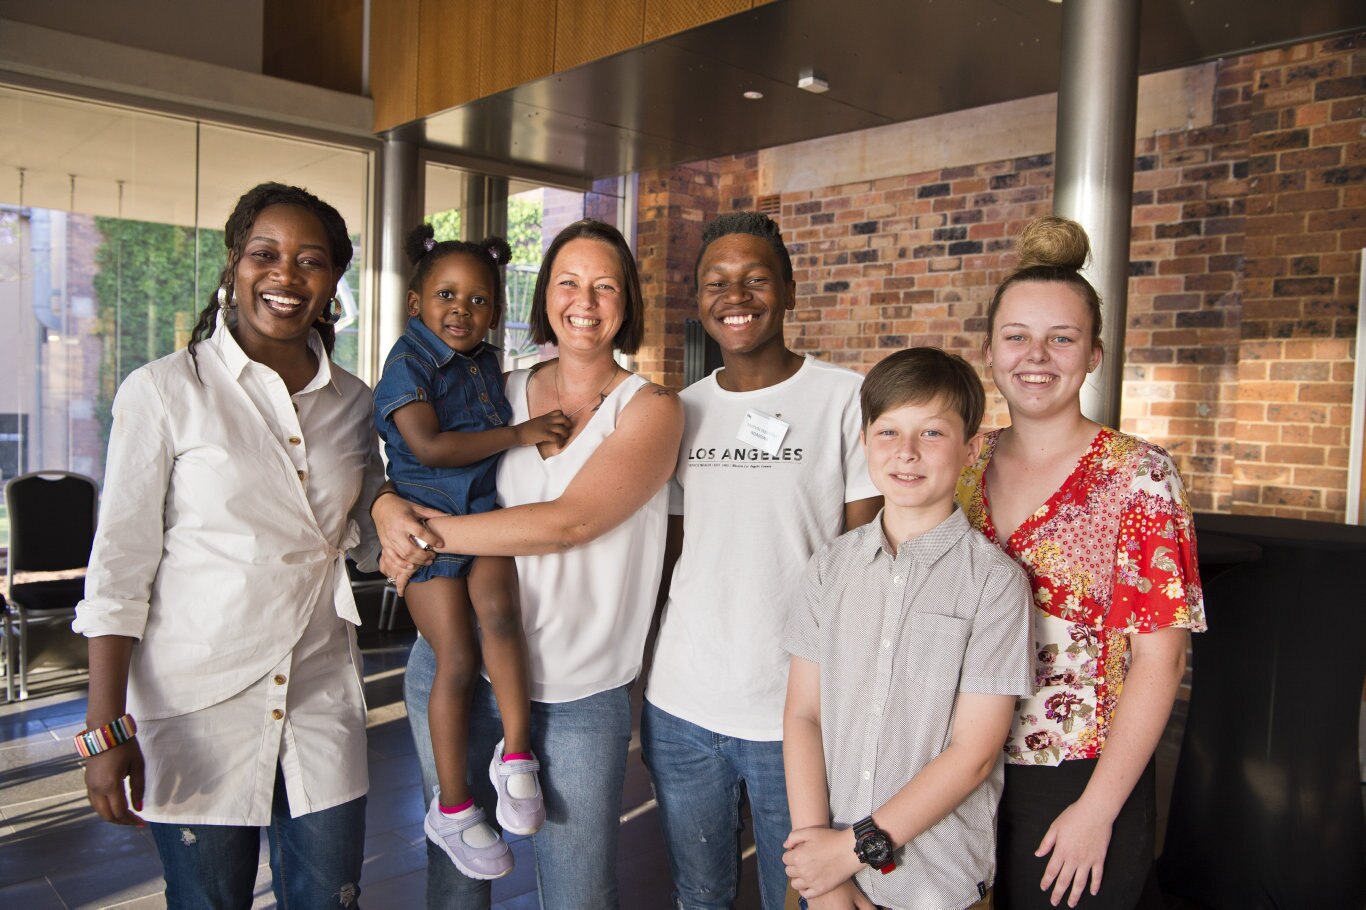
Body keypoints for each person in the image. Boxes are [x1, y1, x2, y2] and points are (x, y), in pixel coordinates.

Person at [73, 183, 384, 909]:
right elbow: (118, 571)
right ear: (234, 264)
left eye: (310, 260)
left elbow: (374, 530)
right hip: (196, 703)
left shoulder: (354, 402)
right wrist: (104, 730)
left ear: (333, 280)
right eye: (265, 254)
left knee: (332, 899)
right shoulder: (161, 392)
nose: (285, 275)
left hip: (320, 698)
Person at [374, 219, 684, 909]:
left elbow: (568, 523)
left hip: (581, 690)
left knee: (578, 895)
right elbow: (411, 457)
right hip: (460, 668)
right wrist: (384, 507)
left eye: (605, 286)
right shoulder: (494, 386)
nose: (586, 300)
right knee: (457, 883)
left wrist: (430, 537)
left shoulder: (654, 410)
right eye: (569, 282)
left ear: (626, 302)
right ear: (545, 296)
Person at [955, 216, 1206, 910]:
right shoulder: (962, 462)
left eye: (1061, 338)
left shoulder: (1139, 478)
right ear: (991, 350)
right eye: (1017, 337)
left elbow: (1162, 660)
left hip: (1079, 775)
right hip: (958, 768)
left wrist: (1098, 810)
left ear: (1094, 354)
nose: (1037, 356)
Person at [641, 211, 882, 909]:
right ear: (699, 301)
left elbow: (862, 558)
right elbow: (673, 552)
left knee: (804, 899)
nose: (735, 296)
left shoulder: (844, 398)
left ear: (790, 290)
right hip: (682, 704)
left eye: (755, 279)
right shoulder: (679, 412)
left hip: (797, 714)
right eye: (717, 282)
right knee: (699, 896)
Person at [782, 347, 1033, 910]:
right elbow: (803, 714)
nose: (907, 453)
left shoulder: (994, 583)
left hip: (937, 884)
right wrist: (824, 875)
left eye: (932, 433)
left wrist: (850, 851)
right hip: (827, 874)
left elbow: (973, 752)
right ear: (865, 441)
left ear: (971, 449)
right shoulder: (829, 568)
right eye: (888, 432)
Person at [373, 226, 571, 880]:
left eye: (480, 299)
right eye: (446, 295)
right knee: (455, 655)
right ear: (415, 301)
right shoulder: (408, 363)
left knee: (501, 616)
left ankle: (517, 757)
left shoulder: (487, 361)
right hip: (428, 527)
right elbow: (428, 448)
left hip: (482, 514)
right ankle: (452, 806)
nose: (462, 309)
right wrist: (519, 434)